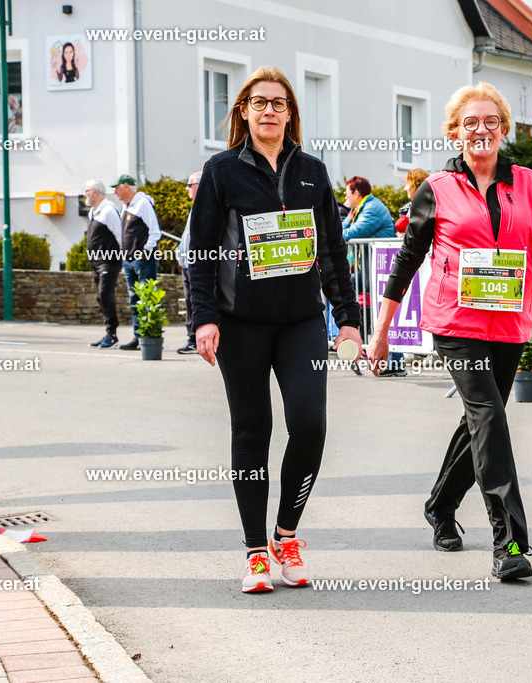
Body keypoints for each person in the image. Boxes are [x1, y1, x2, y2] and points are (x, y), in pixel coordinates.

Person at [368, 83, 532, 581]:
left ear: (503, 130)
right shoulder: (437, 188)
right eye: (470, 122)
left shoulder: (530, 184)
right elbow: (407, 260)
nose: (480, 129)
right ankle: (509, 542)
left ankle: (440, 506)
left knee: (482, 421)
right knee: (489, 416)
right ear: (455, 132)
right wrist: (382, 331)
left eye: (490, 121)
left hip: (508, 321)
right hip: (455, 323)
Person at [190, 66, 362, 593]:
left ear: (291, 114)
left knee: (310, 424)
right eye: (259, 102)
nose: (269, 110)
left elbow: (332, 252)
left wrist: (349, 320)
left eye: (279, 103)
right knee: (252, 430)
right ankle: (255, 552)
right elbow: (201, 251)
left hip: (301, 321)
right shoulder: (221, 171)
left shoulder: (312, 171)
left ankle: (286, 536)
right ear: (244, 111)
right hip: (240, 323)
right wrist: (203, 317)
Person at [342, 176, 405, 375]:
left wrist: (346, 225)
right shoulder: (359, 209)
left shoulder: (372, 209)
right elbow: (341, 230)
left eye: (347, 193)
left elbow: (350, 234)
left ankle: (395, 362)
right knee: (345, 289)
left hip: (383, 268)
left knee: (385, 312)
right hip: (372, 268)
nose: (344, 197)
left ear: (356, 193)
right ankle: (358, 341)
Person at [111, 174, 161, 350]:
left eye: (117, 188)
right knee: (135, 300)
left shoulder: (142, 204)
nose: (115, 192)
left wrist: (144, 252)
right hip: (129, 260)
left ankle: (150, 337)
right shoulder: (126, 207)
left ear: (126, 186)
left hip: (143, 261)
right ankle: (138, 337)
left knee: (147, 299)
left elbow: (155, 232)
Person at [84, 179, 122, 348]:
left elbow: (120, 235)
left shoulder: (108, 211)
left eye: (87, 191)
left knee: (105, 295)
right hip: (96, 262)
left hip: (109, 261)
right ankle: (109, 333)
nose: (85, 194)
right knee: (100, 297)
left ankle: (112, 335)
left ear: (95, 192)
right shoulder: (93, 211)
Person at [176, 171, 202, 354]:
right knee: (188, 302)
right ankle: (192, 338)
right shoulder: (195, 206)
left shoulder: (204, 205)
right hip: (187, 264)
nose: (187, 189)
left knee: (195, 302)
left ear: (198, 186)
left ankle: (195, 339)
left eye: (189, 185)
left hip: (196, 263)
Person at [395, 168, 430, 235]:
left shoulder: (408, 209)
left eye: (407, 184)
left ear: (416, 186)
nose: (405, 189)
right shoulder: (434, 205)